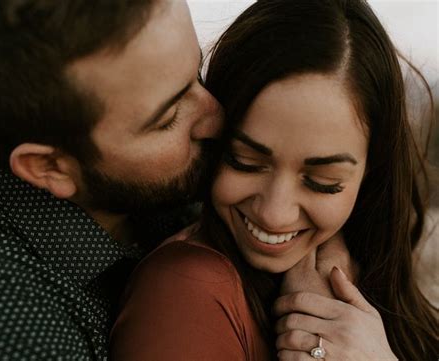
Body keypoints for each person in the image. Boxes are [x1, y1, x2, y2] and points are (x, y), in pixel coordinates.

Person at [110, 0, 439, 360]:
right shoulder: (185, 291)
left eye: (323, 182)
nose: (275, 214)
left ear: (370, 174)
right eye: (245, 162)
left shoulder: (356, 276)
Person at [0, 0, 225, 359]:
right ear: (49, 167)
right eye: (168, 119)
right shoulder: (4, 329)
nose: (217, 117)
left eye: (197, 73)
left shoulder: (149, 189)